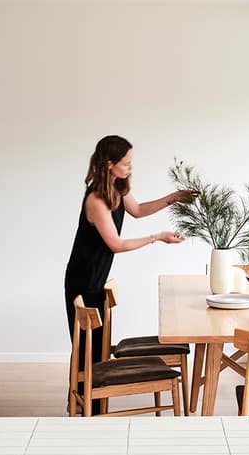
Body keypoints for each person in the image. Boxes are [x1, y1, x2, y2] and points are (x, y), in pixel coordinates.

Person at [64, 135, 196, 412]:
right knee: (88, 348)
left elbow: (137, 210)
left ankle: (87, 403)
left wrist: (173, 198)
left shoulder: (117, 188)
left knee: (96, 347)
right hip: (83, 278)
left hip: (96, 277)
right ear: (109, 164)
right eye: (126, 163)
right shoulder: (96, 200)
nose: (130, 168)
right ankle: (86, 404)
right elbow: (116, 244)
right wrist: (156, 237)